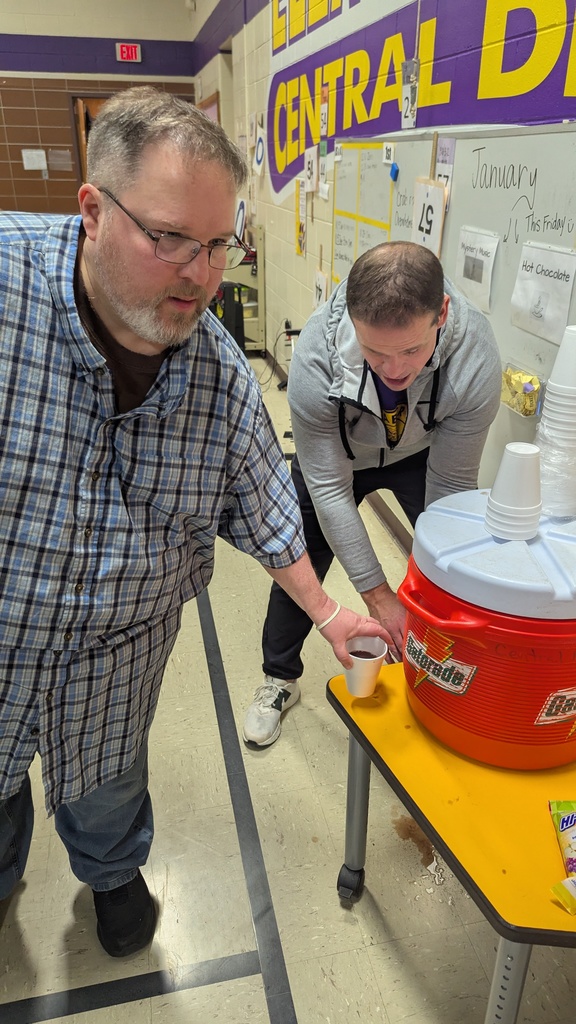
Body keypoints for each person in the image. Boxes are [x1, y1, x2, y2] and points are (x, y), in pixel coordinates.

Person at [0, 87, 387, 957]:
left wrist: (330, 614)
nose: (200, 273)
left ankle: (110, 875)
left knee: (106, 785)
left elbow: (266, 507)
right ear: (93, 211)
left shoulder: (216, 374)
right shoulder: (7, 288)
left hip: (118, 654)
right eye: (170, 237)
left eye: (217, 245)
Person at [243, 241, 502, 747]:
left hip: (421, 455)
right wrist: (377, 594)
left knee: (455, 560)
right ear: (353, 323)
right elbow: (328, 487)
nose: (394, 369)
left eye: (411, 350)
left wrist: (424, 587)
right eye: (375, 351)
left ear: (442, 313)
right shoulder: (316, 354)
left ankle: (444, 666)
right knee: (300, 558)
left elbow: (449, 495)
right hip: (338, 461)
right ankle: (279, 679)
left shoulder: (475, 355)